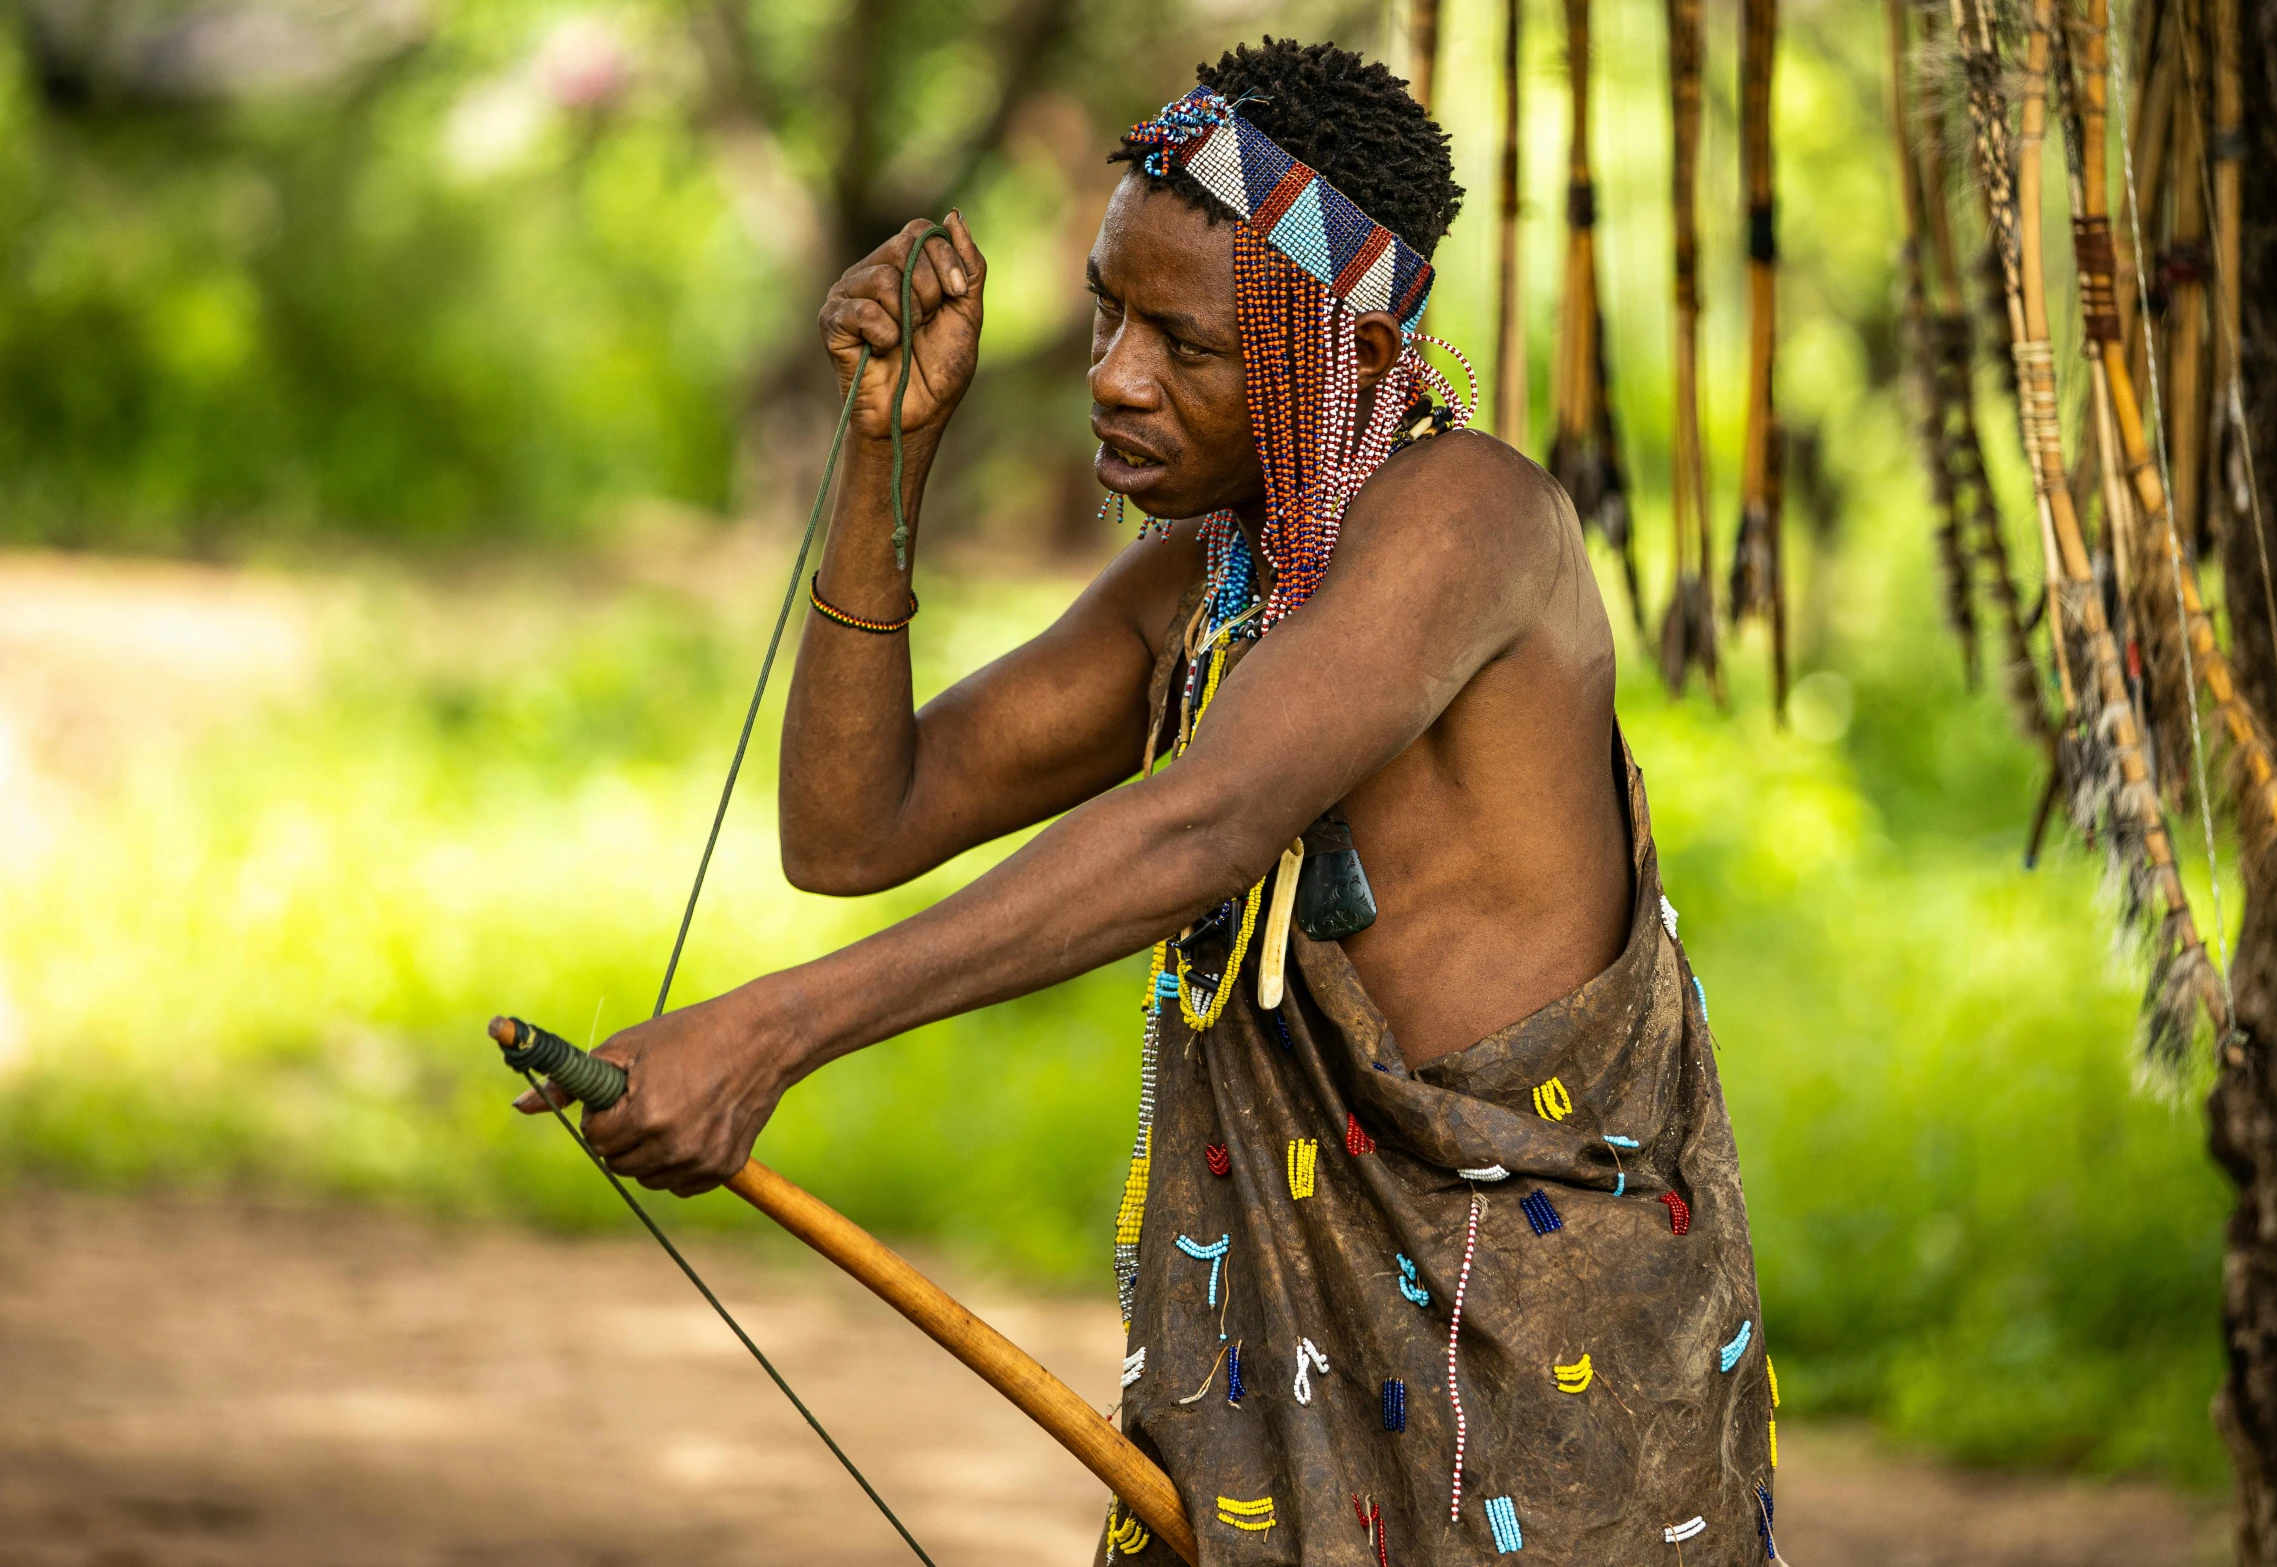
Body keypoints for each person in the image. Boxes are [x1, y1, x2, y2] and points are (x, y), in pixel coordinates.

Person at [521, 38, 1774, 1565]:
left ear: (1356, 361)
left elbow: (1205, 826)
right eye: (1108, 309)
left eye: (1187, 341)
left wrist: (766, 1033)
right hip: (1278, 1389)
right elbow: (851, 829)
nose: (1111, 369)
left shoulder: (1473, 519)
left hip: (1528, 1379)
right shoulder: (1207, 584)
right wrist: (882, 454)